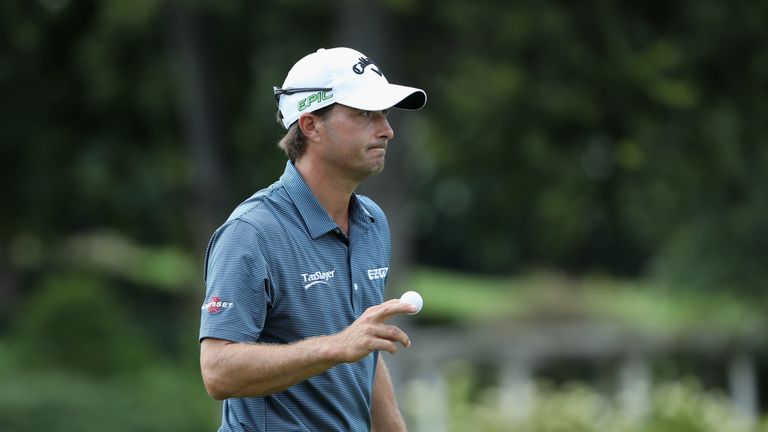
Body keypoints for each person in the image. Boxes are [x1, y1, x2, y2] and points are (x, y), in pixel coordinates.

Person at [199, 47, 427, 431]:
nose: (387, 129)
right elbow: (218, 371)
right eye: (365, 114)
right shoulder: (252, 232)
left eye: (384, 115)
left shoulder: (373, 222)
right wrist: (336, 346)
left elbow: (363, 349)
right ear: (310, 125)